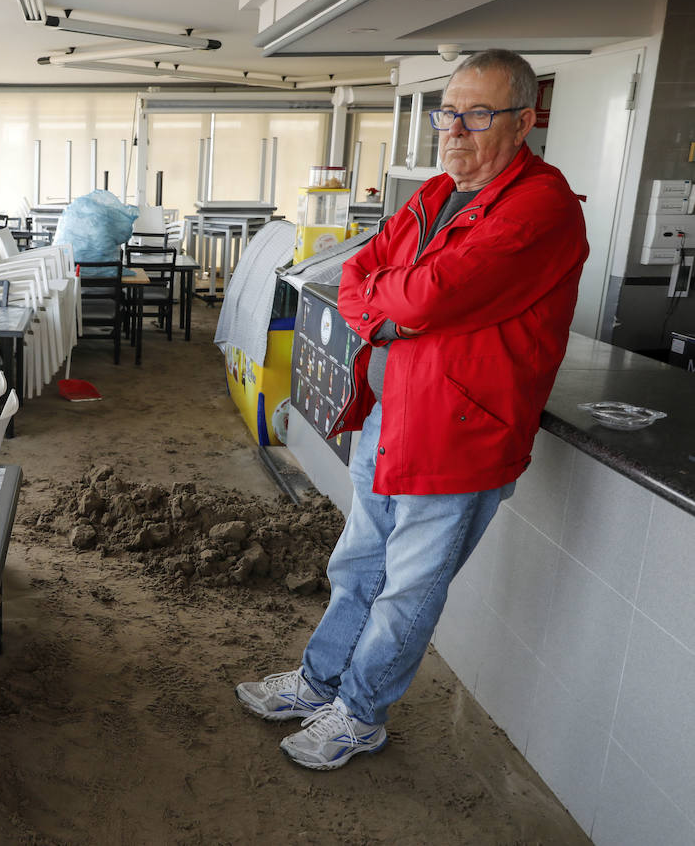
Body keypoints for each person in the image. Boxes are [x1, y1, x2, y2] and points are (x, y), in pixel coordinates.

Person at [235, 49, 588, 770]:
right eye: (447, 112)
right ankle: (319, 681)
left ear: (524, 121)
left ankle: (361, 715)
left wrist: (394, 305)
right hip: (389, 416)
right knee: (358, 563)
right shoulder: (434, 195)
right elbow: (360, 272)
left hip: (460, 433)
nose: (454, 129)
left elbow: (425, 298)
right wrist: (389, 309)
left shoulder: (540, 207)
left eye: (477, 113)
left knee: (406, 590)